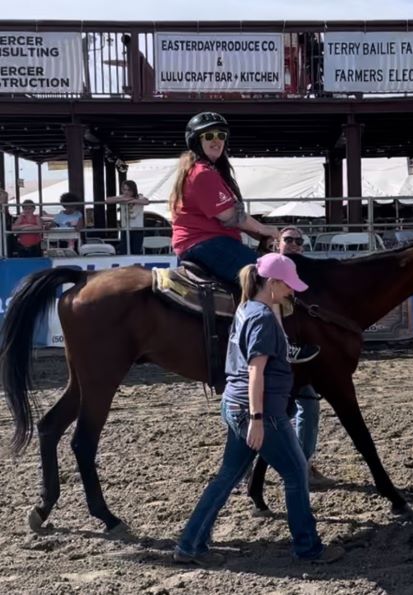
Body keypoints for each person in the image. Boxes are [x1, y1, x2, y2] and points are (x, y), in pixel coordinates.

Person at [173, 253, 345, 567]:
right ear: (273, 283)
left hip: (237, 404)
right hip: (260, 411)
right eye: (289, 285)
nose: (293, 291)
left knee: (227, 476)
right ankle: (308, 548)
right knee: (295, 474)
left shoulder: (248, 308)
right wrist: (257, 419)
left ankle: (190, 543)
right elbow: (256, 371)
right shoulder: (264, 318)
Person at [169, 111, 318, 363]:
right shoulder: (203, 173)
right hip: (205, 243)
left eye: (221, 135)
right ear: (197, 141)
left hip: (205, 242)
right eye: (209, 136)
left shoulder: (201, 171)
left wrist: (260, 231)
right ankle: (283, 345)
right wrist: (268, 231)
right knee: (268, 278)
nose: (216, 140)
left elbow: (233, 218)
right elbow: (232, 217)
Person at [276, 225, 330, 486]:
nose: (295, 244)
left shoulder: (305, 274)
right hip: (275, 356)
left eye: (299, 240)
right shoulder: (265, 274)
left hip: (298, 355)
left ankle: (303, 463)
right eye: (289, 239)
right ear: (278, 243)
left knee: (307, 407)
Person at [105, 179, 150, 255]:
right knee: (124, 250)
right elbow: (107, 200)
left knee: (136, 251)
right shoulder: (121, 197)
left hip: (137, 228)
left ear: (133, 190)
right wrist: (122, 199)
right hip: (125, 228)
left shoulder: (139, 197)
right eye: (124, 190)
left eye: (129, 190)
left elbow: (146, 201)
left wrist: (132, 201)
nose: (126, 192)